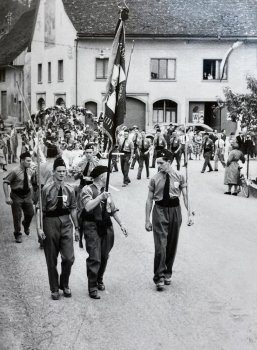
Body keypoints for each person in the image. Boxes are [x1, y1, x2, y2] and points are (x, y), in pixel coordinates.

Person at [145, 149, 192, 291]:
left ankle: (167, 273)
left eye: (161, 163)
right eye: (157, 162)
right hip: (159, 211)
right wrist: (147, 219)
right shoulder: (154, 178)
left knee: (172, 244)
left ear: (169, 162)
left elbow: (185, 196)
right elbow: (149, 200)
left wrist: (190, 214)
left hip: (175, 211)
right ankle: (158, 276)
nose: (158, 165)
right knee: (161, 245)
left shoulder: (180, 176)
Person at [80, 166, 128, 299]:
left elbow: (113, 210)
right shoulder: (87, 189)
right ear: (101, 176)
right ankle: (92, 286)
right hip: (92, 225)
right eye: (107, 174)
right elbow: (88, 206)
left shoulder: (107, 191)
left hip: (106, 225)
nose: (109, 176)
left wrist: (121, 224)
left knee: (104, 256)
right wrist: (100, 197)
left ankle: (99, 278)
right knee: (95, 257)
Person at [40, 157, 79, 300]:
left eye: (64, 171)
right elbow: (40, 210)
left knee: (69, 258)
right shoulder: (46, 189)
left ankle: (64, 283)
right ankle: (54, 288)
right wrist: (40, 228)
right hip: (50, 222)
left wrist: (77, 228)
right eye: (59, 171)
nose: (62, 174)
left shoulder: (70, 189)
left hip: (66, 222)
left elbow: (73, 208)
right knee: (51, 258)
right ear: (53, 172)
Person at [3, 151, 35, 243]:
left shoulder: (30, 170)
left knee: (30, 213)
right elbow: (5, 182)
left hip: (27, 195)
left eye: (30, 161)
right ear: (22, 161)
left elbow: (32, 182)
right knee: (17, 216)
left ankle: (26, 224)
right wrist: (6, 197)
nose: (30, 163)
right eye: (28, 161)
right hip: (16, 195)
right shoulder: (14, 171)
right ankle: (17, 234)